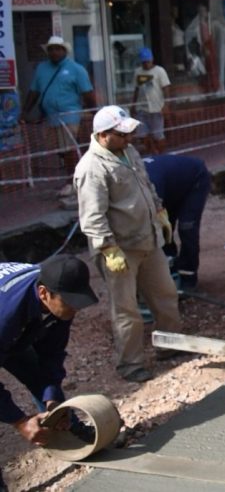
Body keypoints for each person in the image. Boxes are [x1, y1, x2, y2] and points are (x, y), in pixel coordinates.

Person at [74, 105, 180, 383]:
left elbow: (146, 185)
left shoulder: (129, 152)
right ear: (103, 135)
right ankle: (131, 365)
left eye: (129, 133)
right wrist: (108, 248)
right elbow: (92, 216)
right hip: (120, 249)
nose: (128, 138)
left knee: (165, 294)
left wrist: (159, 211)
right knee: (126, 310)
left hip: (148, 239)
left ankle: (170, 345)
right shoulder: (91, 168)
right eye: (121, 135)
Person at [0, 255, 98, 477]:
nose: (75, 309)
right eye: (70, 302)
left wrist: (53, 400)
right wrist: (20, 422)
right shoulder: (5, 316)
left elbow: (51, 354)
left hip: (11, 329)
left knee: (39, 376)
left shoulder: (59, 293)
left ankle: (69, 432)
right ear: (44, 293)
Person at [20, 36, 96, 188]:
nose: (54, 52)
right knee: (57, 149)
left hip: (69, 115)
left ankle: (72, 182)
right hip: (50, 116)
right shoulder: (41, 68)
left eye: (57, 49)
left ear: (64, 51)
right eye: (51, 49)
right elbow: (34, 91)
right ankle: (76, 174)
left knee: (68, 149)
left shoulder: (76, 69)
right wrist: (25, 111)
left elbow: (87, 93)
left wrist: (94, 111)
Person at [143, 154, 211, 291]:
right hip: (171, 185)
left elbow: (152, 221)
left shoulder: (150, 183)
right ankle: (170, 269)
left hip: (194, 179)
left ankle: (188, 277)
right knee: (165, 229)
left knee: (187, 227)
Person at [131, 48, 172, 154]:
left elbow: (166, 88)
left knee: (158, 135)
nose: (146, 64)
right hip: (142, 108)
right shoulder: (138, 72)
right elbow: (136, 89)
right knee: (142, 135)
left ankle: (161, 154)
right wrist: (133, 105)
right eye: (144, 62)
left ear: (152, 60)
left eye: (148, 62)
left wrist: (166, 105)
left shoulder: (159, 71)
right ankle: (151, 153)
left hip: (156, 108)